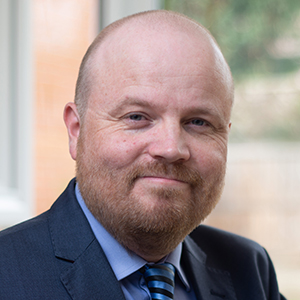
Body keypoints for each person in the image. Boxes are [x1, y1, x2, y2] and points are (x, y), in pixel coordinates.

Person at [0, 10, 286, 300]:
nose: (171, 148)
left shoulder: (249, 270)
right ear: (76, 130)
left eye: (198, 122)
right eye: (137, 116)